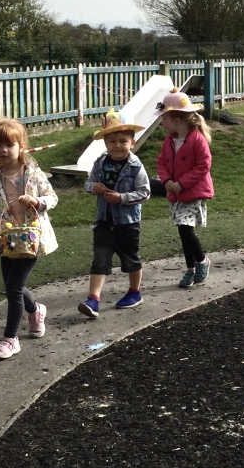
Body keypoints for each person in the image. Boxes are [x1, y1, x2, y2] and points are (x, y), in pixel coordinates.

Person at [0, 117, 59, 359]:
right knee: (13, 286)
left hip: (33, 238)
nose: (3, 150)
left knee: (13, 288)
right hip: (7, 240)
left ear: (21, 146)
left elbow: (52, 197)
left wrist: (37, 202)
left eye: (9, 145)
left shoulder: (32, 172)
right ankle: (36, 311)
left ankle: (10, 339)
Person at [78, 109, 151, 319]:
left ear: (132, 142)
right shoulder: (101, 162)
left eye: (122, 141)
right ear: (105, 143)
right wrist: (95, 187)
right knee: (99, 259)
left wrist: (121, 198)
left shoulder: (135, 166)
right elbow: (88, 183)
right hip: (104, 221)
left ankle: (134, 292)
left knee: (131, 260)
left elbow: (145, 192)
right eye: (111, 141)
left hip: (128, 223)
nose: (117, 146)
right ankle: (93, 299)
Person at [155, 89, 215, 287]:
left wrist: (181, 183)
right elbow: (162, 163)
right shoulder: (169, 141)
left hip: (192, 193)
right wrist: (166, 182)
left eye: (165, 119)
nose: (162, 123)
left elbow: (203, 165)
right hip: (177, 193)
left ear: (177, 121)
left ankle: (201, 261)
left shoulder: (197, 139)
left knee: (185, 230)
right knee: (183, 231)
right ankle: (191, 269)